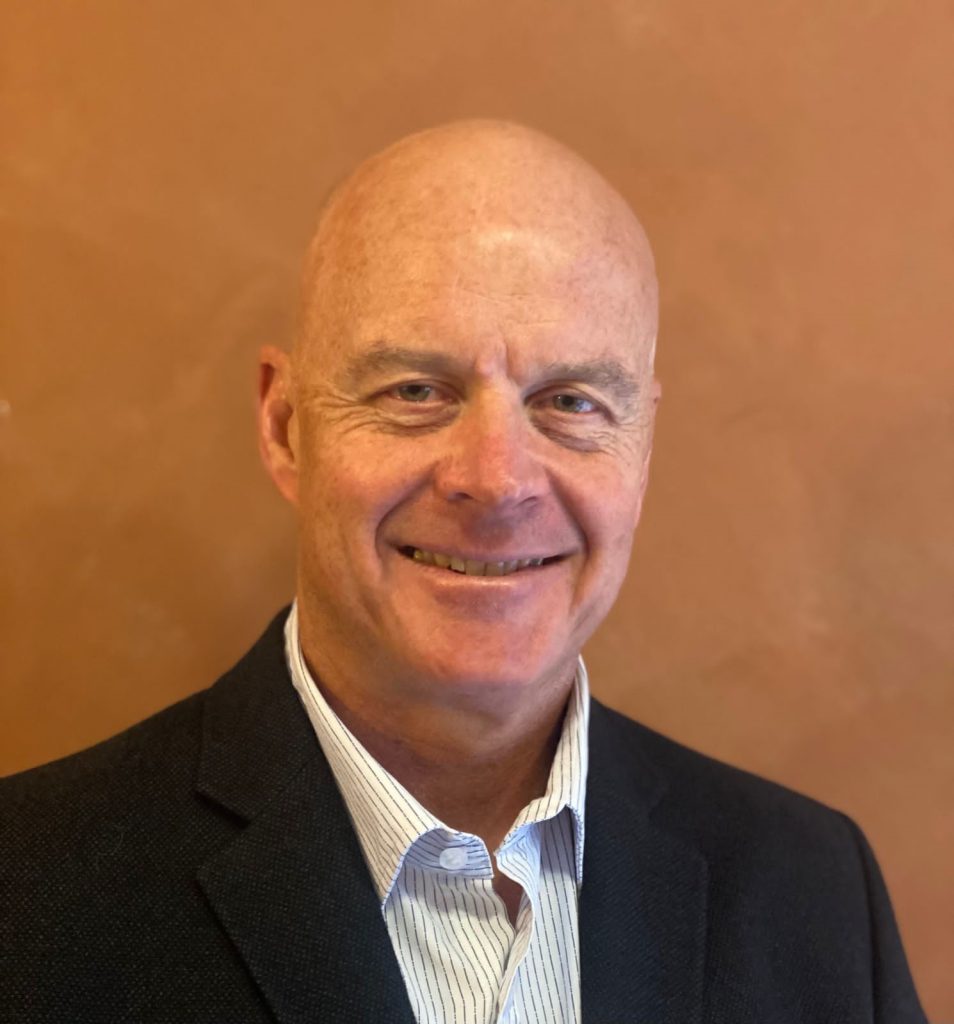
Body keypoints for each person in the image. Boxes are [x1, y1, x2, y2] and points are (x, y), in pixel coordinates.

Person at [0, 121, 926, 1023]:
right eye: (416, 391)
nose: (496, 479)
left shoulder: (815, 895)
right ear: (286, 428)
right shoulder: (30, 894)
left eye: (570, 402)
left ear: (642, 446)